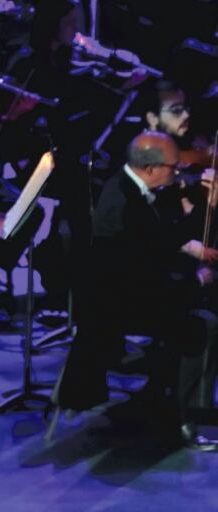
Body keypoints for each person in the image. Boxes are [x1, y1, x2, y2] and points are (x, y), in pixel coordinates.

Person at [56, 131, 218, 450]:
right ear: (151, 168)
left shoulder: (127, 185)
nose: (179, 173)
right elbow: (146, 278)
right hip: (120, 308)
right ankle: (190, 418)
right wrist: (197, 279)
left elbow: (156, 241)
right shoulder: (124, 205)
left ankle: (162, 394)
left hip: (126, 293)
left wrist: (194, 236)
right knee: (205, 325)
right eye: (174, 168)